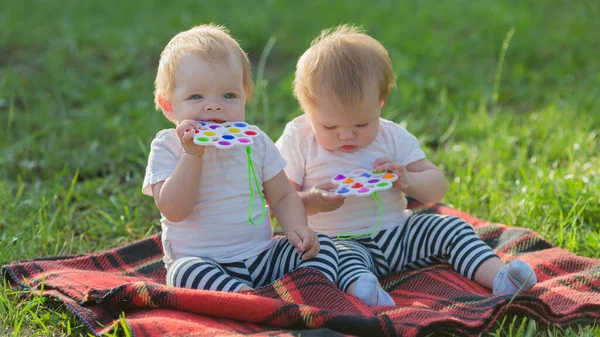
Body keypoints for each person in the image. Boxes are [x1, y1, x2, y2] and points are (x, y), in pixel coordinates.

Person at [275, 24, 536, 306]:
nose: (347, 135)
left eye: (361, 124)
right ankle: (366, 292)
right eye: (329, 126)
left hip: (399, 234)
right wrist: (312, 201)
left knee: (451, 228)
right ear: (308, 110)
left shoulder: (391, 136)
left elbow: (437, 187)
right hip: (340, 240)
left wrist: (408, 181)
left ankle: (501, 278)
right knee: (329, 259)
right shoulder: (299, 140)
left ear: (381, 102)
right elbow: (280, 201)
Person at [142, 24, 338, 292]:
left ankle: (302, 290)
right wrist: (192, 156)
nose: (214, 105)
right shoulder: (169, 146)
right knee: (183, 273)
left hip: (262, 256)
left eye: (229, 95)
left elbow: (282, 196)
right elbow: (174, 210)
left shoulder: (255, 141)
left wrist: (297, 229)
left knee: (324, 247)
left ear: (245, 97)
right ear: (169, 106)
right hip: (205, 263)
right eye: (196, 96)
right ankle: (245, 298)